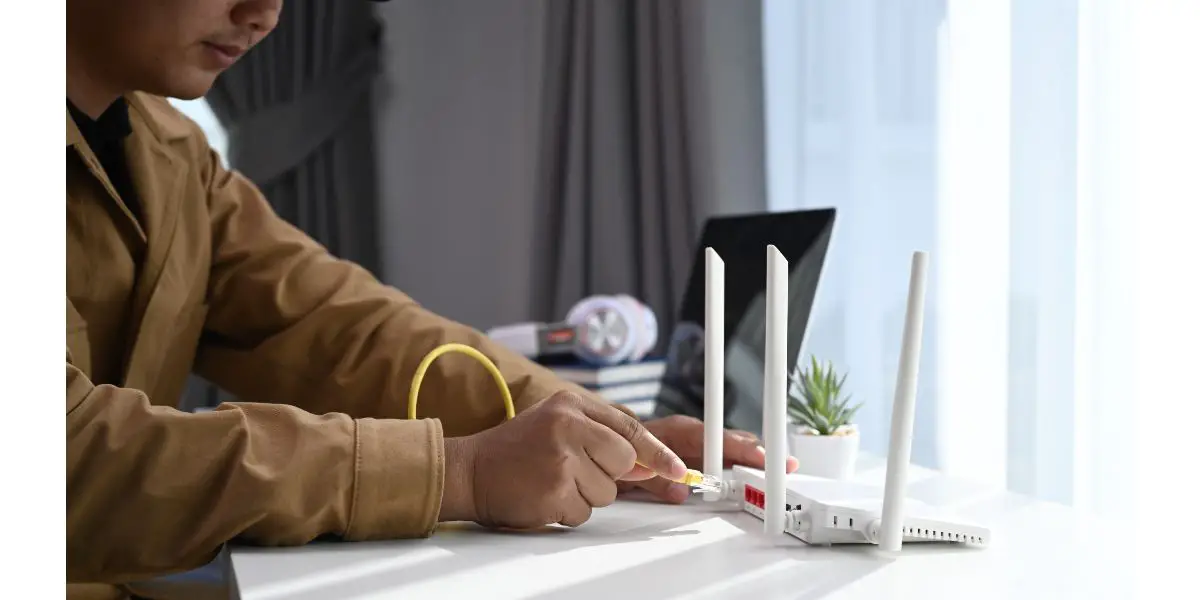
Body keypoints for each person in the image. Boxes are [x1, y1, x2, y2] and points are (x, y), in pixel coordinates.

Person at [66, 1, 798, 598]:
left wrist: (603, 433)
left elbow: (342, 326)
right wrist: (457, 473)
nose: (264, 15)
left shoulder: (170, 156)